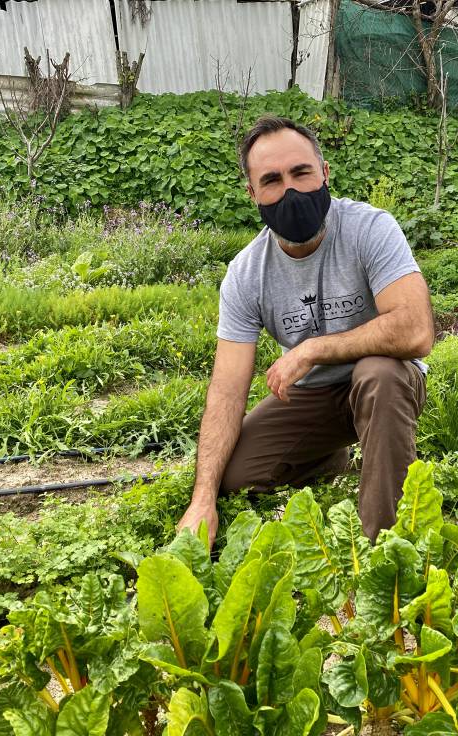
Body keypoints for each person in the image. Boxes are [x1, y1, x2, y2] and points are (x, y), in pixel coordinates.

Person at [176, 115, 434, 546]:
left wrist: (312, 349)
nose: (291, 191)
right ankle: (331, 456)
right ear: (252, 193)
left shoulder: (369, 228)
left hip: (384, 383)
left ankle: (387, 548)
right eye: (272, 180)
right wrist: (202, 497)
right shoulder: (247, 273)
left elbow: (415, 330)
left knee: (379, 373)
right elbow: (226, 391)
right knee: (236, 476)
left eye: (301, 172)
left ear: (325, 172)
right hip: (314, 395)